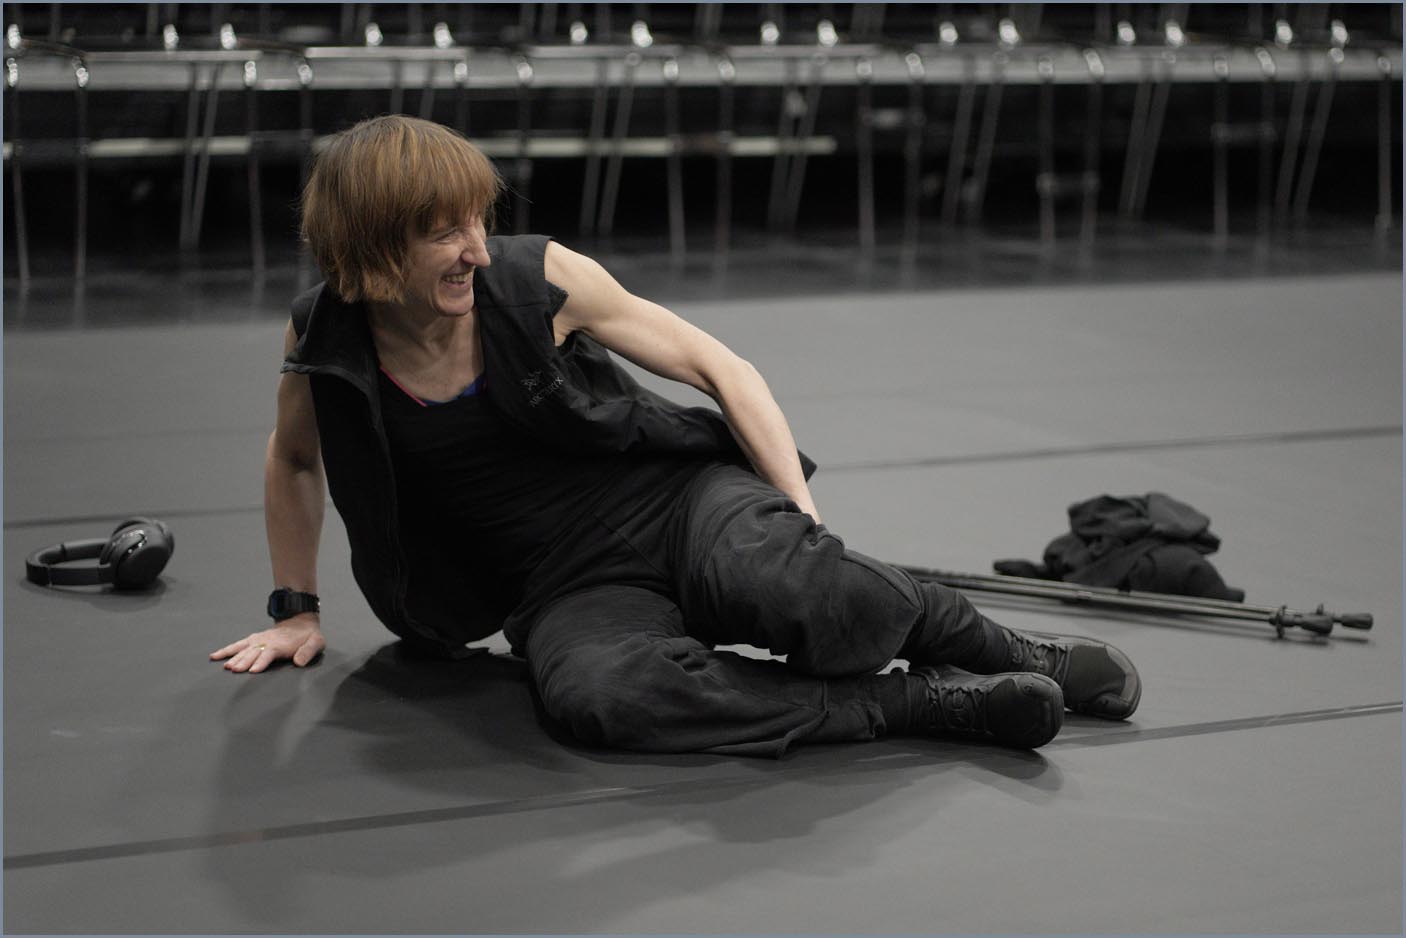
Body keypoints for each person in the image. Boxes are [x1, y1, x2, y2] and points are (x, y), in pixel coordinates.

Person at [210, 114, 1140, 758]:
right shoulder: (324, 334)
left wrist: (800, 516)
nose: (478, 250)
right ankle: (913, 703)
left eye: (480, 224)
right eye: (446, 235)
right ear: (375, 246)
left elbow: (719, 367)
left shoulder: (539, 279)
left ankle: (1005, 651)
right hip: (561, 589)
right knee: (606, 702)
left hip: (675, 504)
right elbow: (294, 458)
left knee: (817, 592)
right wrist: (297, 609)